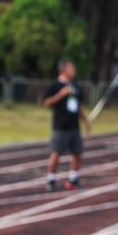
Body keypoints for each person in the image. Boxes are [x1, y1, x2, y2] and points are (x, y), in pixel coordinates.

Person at [42, 59, 91, 191]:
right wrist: (60, 95)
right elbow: (46, 103)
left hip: (74, 125)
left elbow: (79, 106)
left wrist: (85, 121)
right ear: (64, 70)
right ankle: (51, 179)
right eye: (71, 68)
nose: (74, 71)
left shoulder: (76, 86)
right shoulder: (55, 85)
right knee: (56, 153)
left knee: (77, 152)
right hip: (60, 126)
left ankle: (74, 177)